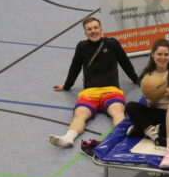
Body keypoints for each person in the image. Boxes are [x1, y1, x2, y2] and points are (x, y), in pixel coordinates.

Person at [50, 16, 140, 148]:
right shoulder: (82, 46)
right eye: (89, 29)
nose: (93, 31)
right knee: (79, 115)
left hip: (112, 92)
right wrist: (67, 85)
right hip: (89, 93)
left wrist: (136, 79)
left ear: (101, 29)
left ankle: (122, 139)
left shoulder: (112, 43)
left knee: (118, 112)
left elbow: (124, 62)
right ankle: (68, 138)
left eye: (95, 28)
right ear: (85, 33)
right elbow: (75, 67)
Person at [124, 39, 169, 142]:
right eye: (159, 54)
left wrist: (167, 92)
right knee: (130, 106)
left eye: (166, 55)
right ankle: (154, 134)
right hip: (159, 112)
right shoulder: (147, 76)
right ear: (152, 54)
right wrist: (155, 95)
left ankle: (144, 129)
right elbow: (150, 103)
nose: (163, 58)